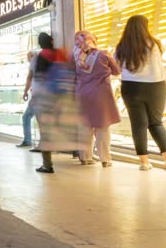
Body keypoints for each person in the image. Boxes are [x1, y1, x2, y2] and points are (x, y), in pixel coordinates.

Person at [115, 15, 166, 171]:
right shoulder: (154, 44)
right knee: (156, 122)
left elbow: (116, 69)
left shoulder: (122, 46)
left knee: (138, 125)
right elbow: (159, 65)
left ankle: (144, 162)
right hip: (155, 86)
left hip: (130, 87)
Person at [32, 33, 81, 174]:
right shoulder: (60, 53)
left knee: (45, 132)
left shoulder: (41, 56)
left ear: (40, 44)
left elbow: (39, 79)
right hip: (62, 97)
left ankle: (47, 165)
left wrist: (36, 98)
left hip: (47, 98)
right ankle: (75, 151)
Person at [74, 31, 121, 167]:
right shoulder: (104, 54)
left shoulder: (77, 59)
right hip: (101, 95)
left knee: (85, 127)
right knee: (103, 127)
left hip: (83, 95)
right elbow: (117, 71)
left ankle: (85, 157)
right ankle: (105, 159)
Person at [19, 51, 37, 148]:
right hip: (43, 95)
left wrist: (25, 91)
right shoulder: (42, 63)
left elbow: (29, 78)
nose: (28, 60)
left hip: (37, 96)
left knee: (26, 116)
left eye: (28, 57)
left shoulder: (34, 63)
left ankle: (27, 140)